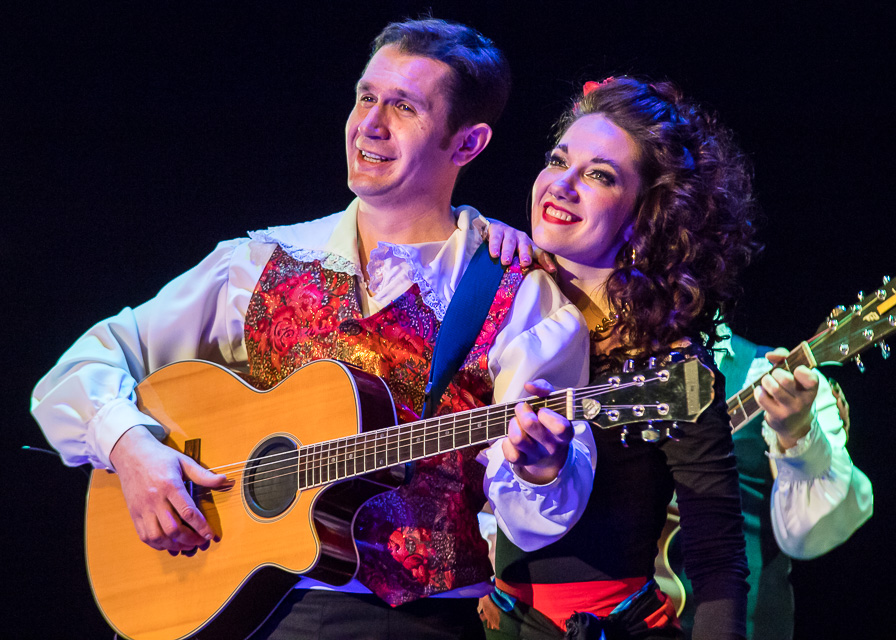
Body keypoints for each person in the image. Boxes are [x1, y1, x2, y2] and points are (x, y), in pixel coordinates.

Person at [30, 18, 596, 640]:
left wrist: (542, 468)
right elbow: (82, 366)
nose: (370, 124)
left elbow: (534, 522)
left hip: (409, 623)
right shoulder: (257, 262)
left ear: (467, 143)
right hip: (236, 602)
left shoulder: (518, 295)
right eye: (366, 96)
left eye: (404, 107)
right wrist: (130, 448)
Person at [479, 76, 756, 640]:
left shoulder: (673, 366)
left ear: (649, 213)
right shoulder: (496, 305)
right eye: (558, 161)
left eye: (599, 175)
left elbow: (718, 563)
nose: (562, 185)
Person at [672, 328, 874, 639]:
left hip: (740, 622)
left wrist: (797, 434)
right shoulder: (611, 378)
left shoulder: (769, 376)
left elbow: (809, 535)